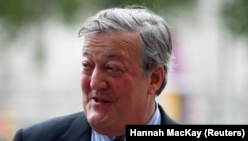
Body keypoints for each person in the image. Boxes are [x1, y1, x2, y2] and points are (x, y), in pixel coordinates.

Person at [13, 5, 178, 141]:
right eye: (87, 65)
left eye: (111, 68)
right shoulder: (32, 138)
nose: (94, 82)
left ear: (154, 78)